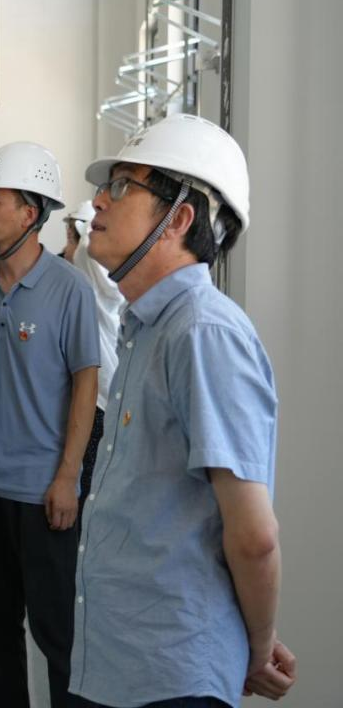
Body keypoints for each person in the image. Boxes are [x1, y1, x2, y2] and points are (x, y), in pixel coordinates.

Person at [69, 114, 294, 707]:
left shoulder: (202, 333)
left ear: (179, 219)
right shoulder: (147, 327)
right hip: (123, 662)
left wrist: (257, 647)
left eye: (122, 186)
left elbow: (254, 535)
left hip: (171, 675)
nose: (98, 201)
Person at [0, 141, 100, 707]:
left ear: (30, 212)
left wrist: (68, 477)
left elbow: (86, 386)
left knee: (57, 636)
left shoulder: (70, 288)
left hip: (44, 494)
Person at [61, 200, 124, 502]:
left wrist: (88, 223)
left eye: (69, 238)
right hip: (111, 392)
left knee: (86, 484)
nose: (66, 248)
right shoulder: (110, 287)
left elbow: (85, 244)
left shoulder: (85, 267)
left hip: (96, 397)